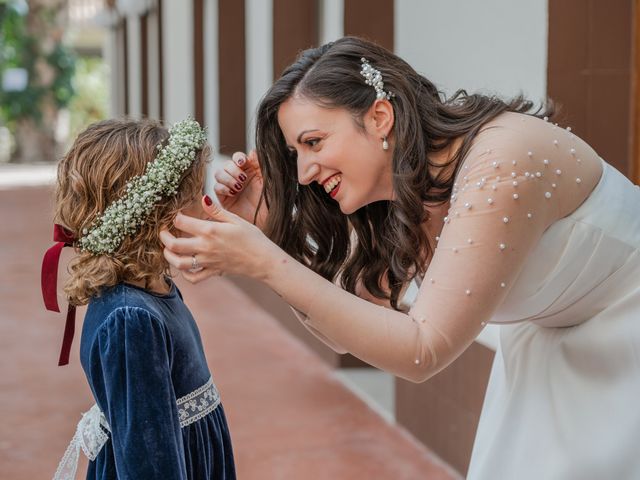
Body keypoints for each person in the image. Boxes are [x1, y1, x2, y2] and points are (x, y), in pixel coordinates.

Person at [161, 36, 640, 479]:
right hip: (551, 355)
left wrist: (266, 261)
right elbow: (360, 326)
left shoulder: (501, 162)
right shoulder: (406, 189)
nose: (303, 173)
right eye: (294, 154)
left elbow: (420, 351)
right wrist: (271, 237)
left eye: (313, 142)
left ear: (379, 117)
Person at [43, 118, 236, 479]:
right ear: (158, 215)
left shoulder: (153, 288)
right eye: (197, 195)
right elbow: (149, 460)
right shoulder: (130, 320)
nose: (206, 207)